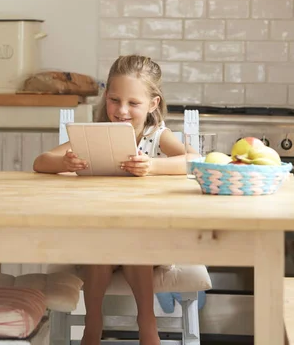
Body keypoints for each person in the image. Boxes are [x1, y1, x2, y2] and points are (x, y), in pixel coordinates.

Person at [33, 55, 194, 345]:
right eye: (114, 100)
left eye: (133, 103)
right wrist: (66, 163)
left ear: (153, 105)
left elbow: (196, 161)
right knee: (104, 244)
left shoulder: (156, 137)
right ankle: (93, 321)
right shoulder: (92, 135)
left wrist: (153, 166)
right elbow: (41, 161)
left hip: (149, 241)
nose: (121, 111)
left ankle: (147, 321)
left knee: (132, 242)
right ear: (106, 97)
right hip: (98, 240)